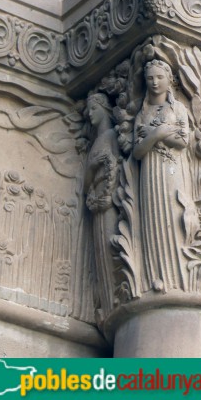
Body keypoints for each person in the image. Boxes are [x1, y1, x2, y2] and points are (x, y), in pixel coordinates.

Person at [133, 59, 190, 292]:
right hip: (149, 171)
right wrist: (158, 134)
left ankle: (178, 276)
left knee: (172, 215)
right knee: (152, 219)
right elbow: (137, 151)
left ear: (170, 81)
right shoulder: (143, 112)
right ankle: (154, 276)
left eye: (160, 77)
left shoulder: (178, 109)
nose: (155, 82)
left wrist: (155, 134)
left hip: (170, 169)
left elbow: (183, 141)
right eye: (150, 78)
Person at [84, 92, 119, 316]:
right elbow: (87, 179)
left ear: (104, 108)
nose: (89, 114)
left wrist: (108, 192)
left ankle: (115, 295)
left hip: (108, 197)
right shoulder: (98, 140)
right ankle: (107, 300)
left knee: (108, 242)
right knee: (99, 247)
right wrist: (91, 166)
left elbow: (117, 166)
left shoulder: (111, 135)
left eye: (93, 109)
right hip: (97, 197)